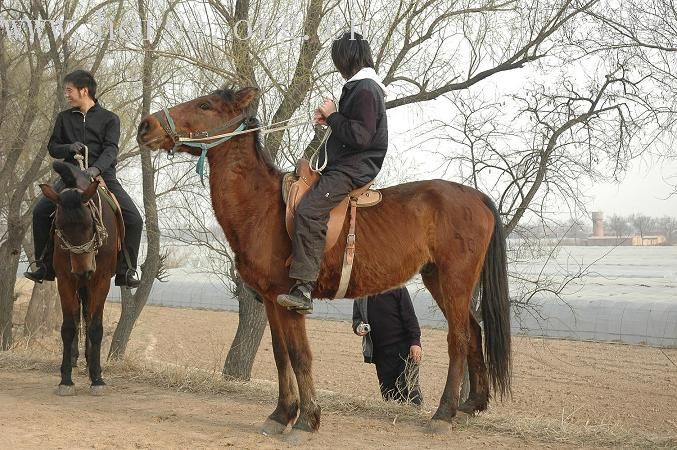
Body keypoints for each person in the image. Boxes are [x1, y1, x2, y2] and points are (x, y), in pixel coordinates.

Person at [277, 31, 388, 314]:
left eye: (337, 58)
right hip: (349, 162)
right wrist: (330, 120)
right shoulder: (361, 87)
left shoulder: (365, 88)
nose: (337, 65)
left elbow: (361, 136)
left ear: (346, 58)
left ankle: (304, 289)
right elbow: (352, 128)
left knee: (310, 210)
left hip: (355, 167)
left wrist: (334, 116)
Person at [24, 70, 143, 288]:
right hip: (70, 176)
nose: (66, 94)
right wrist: (69, 147)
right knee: (40, 212)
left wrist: (96, 170)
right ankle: (43, 266)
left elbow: (111, 150)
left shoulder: (110, 119)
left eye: (69, 90)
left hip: (103, 176)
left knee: (135, 219)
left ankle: (126, 270)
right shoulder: (64, 118)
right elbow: (53, 147)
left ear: (84, 90)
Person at [352, 286, 423, 405]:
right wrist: (358, 328)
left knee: (410, 392)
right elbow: (356, 319)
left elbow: (410, 317)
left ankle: (414, 420)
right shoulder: (360, 294)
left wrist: (415, 342)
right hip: (380, 354)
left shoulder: (397, 287)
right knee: (389, 396)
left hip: (404, 350)